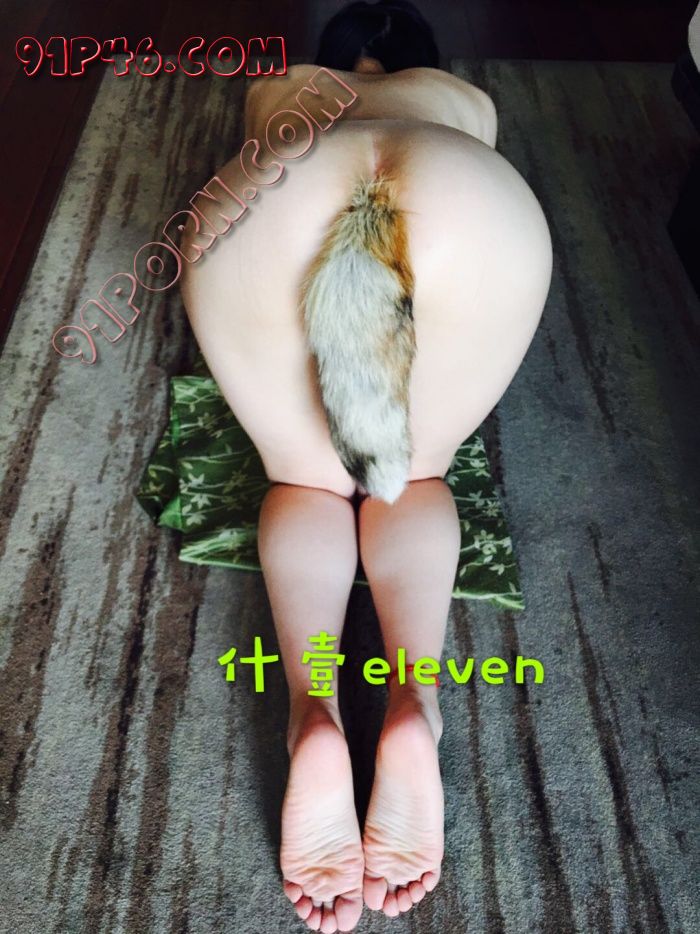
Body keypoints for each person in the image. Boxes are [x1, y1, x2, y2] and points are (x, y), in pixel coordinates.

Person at [180, 2, 552, 930]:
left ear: (334, 58)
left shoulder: (276, 89)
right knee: (415, 474)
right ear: (421, 60)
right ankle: (412, 699)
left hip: (278, 192)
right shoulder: (463, 100)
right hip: (467, 194)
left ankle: (314, 708)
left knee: (303, 478)